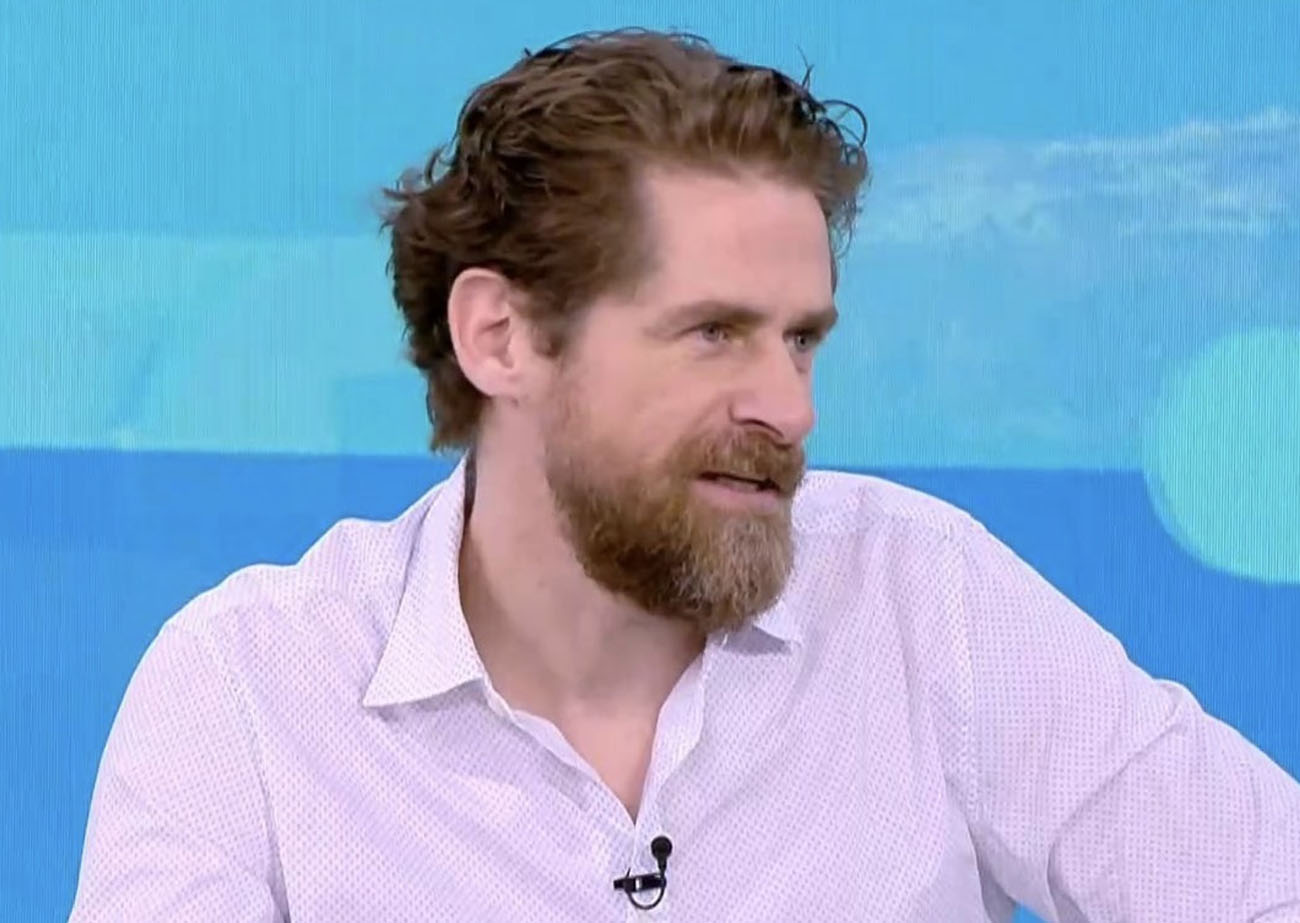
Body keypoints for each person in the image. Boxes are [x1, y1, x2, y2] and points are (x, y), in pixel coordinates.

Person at [69, 28, 1300, 922]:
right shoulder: (250, 689)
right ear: (500, 337)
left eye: (800, 339)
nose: (789, 407)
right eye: (714, 332)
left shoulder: (922, 595)